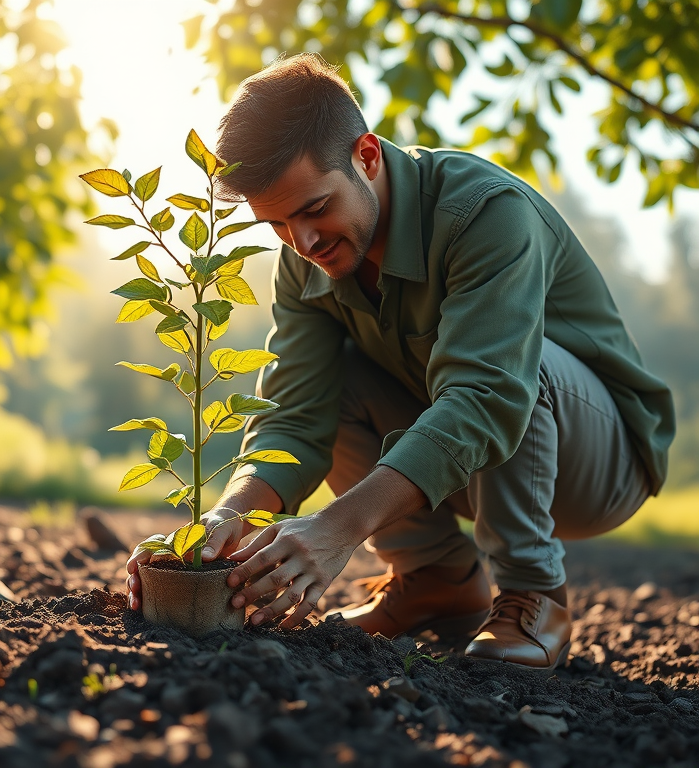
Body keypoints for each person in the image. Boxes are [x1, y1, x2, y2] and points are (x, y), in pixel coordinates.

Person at [125, 53, 675, 672]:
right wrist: (225, 523)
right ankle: (436, 579)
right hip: (467, 468)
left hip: (596, 463)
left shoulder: (486, 214)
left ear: (366, 155)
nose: (302, 242)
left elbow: (485, 399)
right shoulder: (304, 261)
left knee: (516, 371)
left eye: (313, 208)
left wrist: (335, 530)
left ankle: (533, 593)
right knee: (341, 380)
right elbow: (293, 418)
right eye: (276, 223)